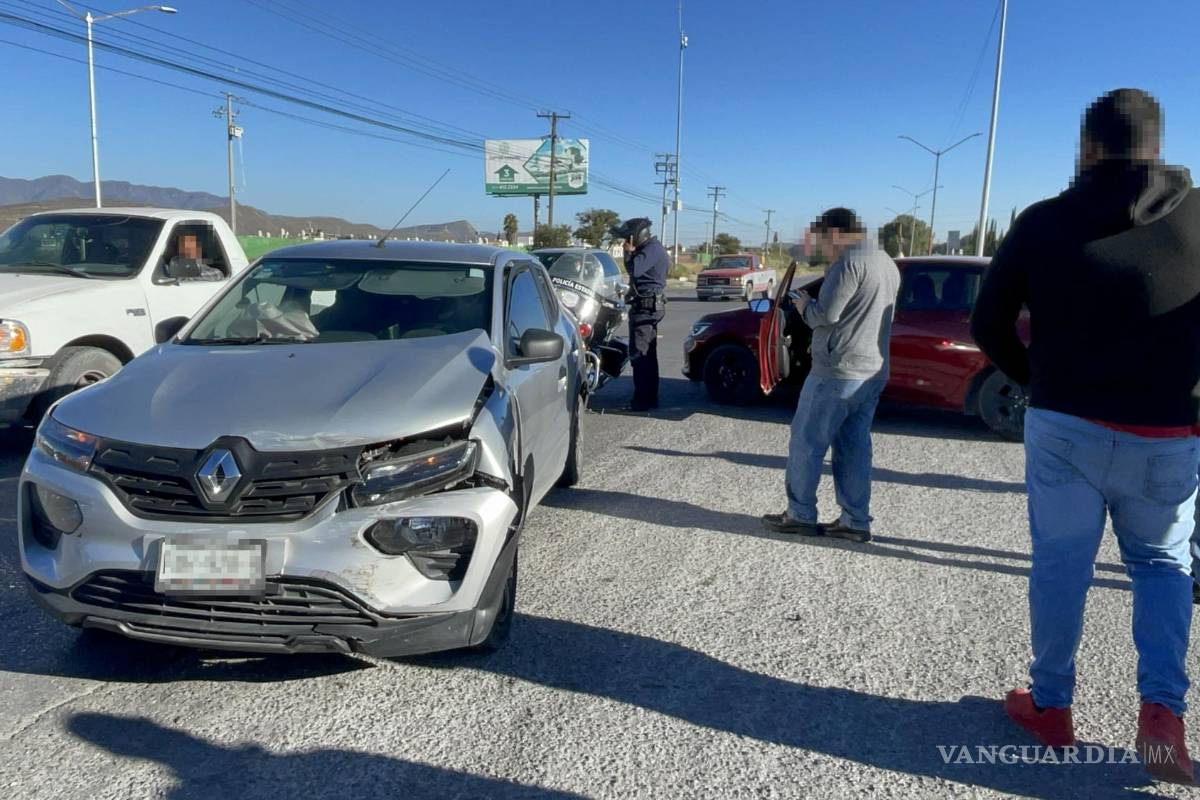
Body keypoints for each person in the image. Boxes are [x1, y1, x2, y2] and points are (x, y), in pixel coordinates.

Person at [971, 88, 1200, 785]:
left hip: (1065, 426)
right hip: (1168, 432)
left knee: (1061, 567)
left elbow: (989, 323)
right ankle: (1162, 715)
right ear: (1158, 146)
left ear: (1090, 146)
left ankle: (1051, 706)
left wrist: (1038, 381)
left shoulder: (1044, 220)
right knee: (1164, 567)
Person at [761, 208, 900, 542]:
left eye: (823, 237)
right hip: (873, 371)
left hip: (836, 372)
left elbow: (826, 315)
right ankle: (855, 521)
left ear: (836, 233)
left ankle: (800, 514)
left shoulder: (849, 262)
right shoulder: (886, 262)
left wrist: (802, 305)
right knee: (854, 448)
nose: (822, 244)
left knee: (806, 443)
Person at [617, 217, 669, 411]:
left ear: (636, 237)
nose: (626, 243)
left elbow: (635, 269)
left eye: (628, 239)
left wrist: (627, 253)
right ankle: (647, 398)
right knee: (646, 355)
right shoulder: (650, 248)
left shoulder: (652, 250)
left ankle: (643, 402)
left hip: (647, 308)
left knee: (640, 356)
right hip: (645, 306)